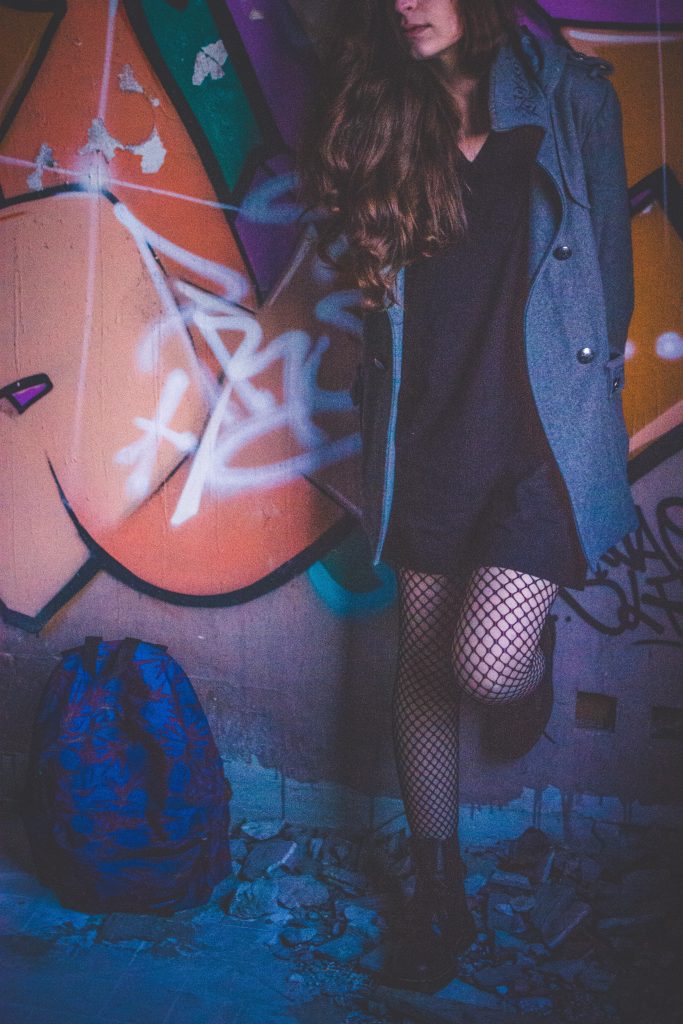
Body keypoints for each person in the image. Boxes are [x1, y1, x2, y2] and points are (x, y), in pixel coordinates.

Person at [301, 0, 637, 993]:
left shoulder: (569, 98)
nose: (407, 2)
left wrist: (585, 410)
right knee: (419, 659)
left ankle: (524, 667)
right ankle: (436, 887)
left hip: (536, 432)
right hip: (427, 424)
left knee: (479, 665)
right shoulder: (374, 112)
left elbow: (607, 285)